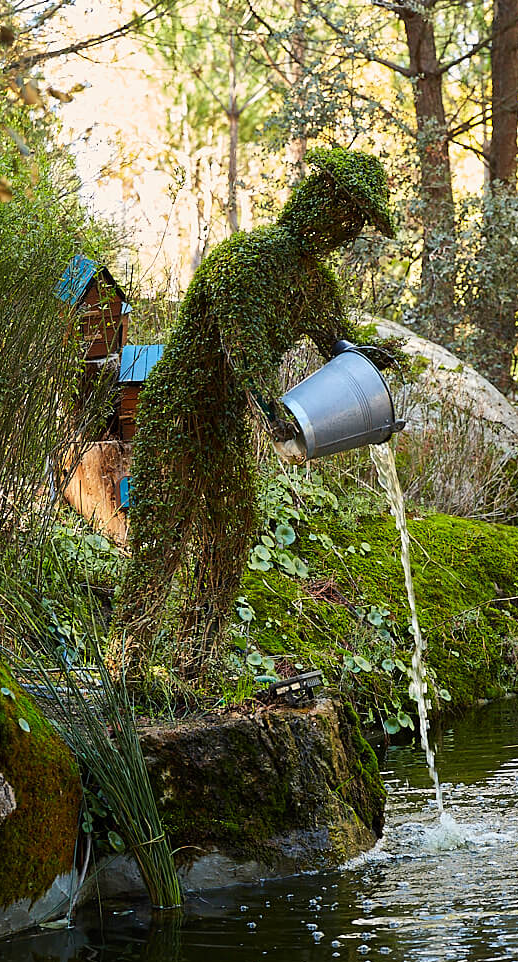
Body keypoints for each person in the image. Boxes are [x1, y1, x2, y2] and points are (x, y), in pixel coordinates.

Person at [119, 148, 402, 671]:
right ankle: (128, 666)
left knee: (232, 530)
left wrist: (375, 361)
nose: (347, 230)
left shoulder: (316, 284)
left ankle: (194, 662)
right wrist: (274, 413)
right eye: (344, 212)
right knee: (164, 536)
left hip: (223, 421)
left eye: (356, 222)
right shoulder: (249, 260)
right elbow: (242, 346)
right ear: (314, 199)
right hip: (178, 407)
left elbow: (340, 347)